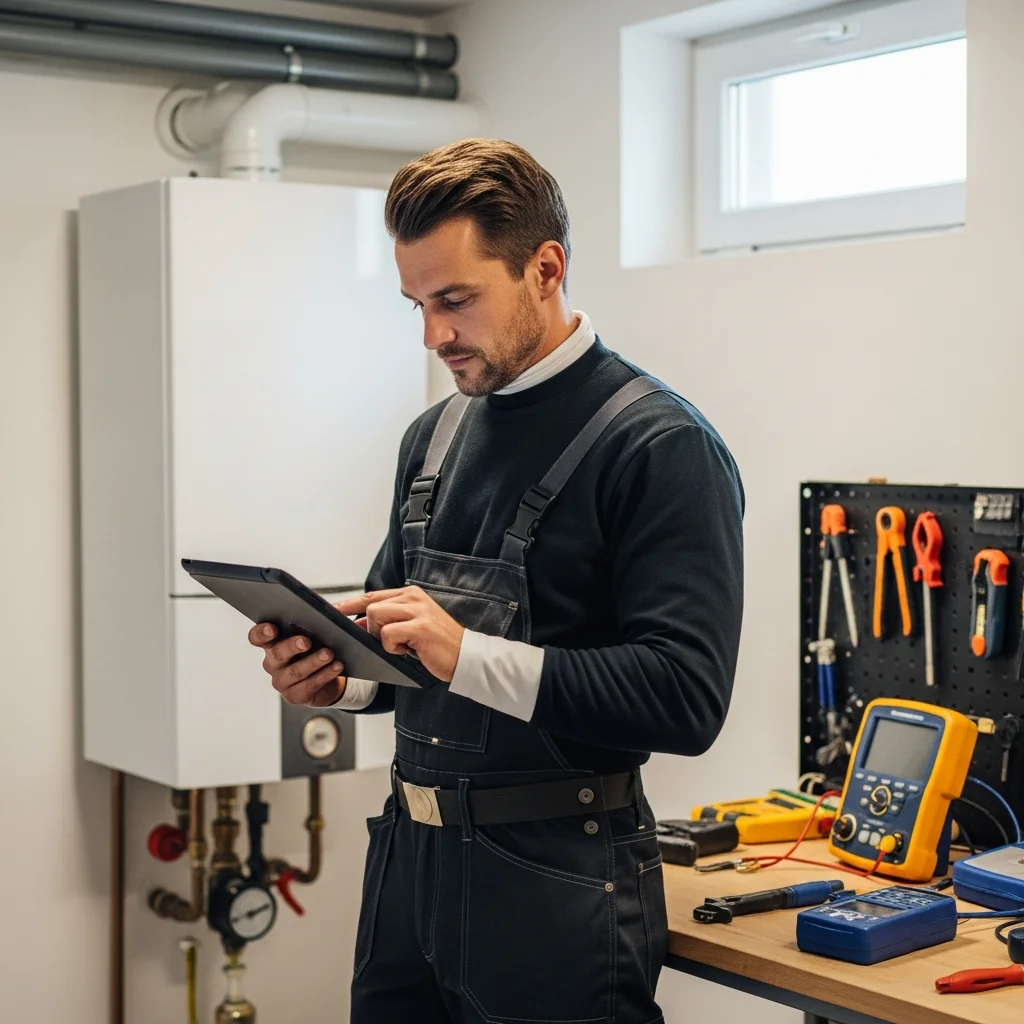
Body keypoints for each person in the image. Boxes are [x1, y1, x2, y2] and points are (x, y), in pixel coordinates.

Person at [249, 138, 744, 1023]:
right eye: (417, 304)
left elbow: (686, 698)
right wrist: (337, 676)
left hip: (559, 880)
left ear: (544, 267)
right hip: (411, 866)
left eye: (456, 300)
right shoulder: (434, 437)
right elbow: (396, 654)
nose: (435, 334)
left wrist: (465, 652)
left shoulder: (660, 448)